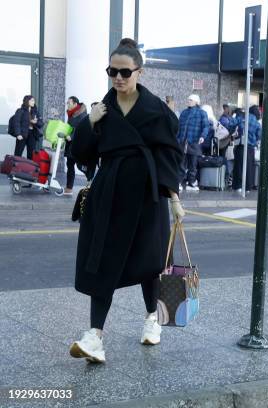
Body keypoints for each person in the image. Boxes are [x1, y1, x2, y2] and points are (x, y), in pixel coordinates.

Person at [69, 38, 184, 364]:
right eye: (112, 71)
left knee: (150, 263)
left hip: (148, 194)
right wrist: (88, 124)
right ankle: (95, 337)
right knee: (101, 261)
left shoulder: (157, 110)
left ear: (139, 71)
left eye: (124, 71)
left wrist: (173, 197)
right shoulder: (101, 108)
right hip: (109, 193)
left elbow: (169, 155)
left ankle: (153, 319)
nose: (117, 77)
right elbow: (81, 153)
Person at [177, 94, 209, 191]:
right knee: (181, 163)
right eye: (188, 99)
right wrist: (177, 139)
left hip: (194, 141)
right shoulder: (184, 112)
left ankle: (191, 183)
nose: (188, 101)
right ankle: (179, 182)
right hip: (183, 141)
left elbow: (206, 126)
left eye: (191, 100)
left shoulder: (202, 113)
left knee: (193, 164)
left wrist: (203, 136)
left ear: (196, 102)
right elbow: (179, 127)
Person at [232, 105, 261, 193]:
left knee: (239, 166)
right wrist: (254, 141)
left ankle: (238, 186)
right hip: (250, 147)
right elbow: (259, 135)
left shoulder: (241, 118)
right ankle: (248, 187)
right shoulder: (257, 122)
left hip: (241, 145)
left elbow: (231, 124)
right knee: (249, 167)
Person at [64, 96, 88, 195]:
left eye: (69, 103)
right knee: (70, 165)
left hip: (77, 144)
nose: (67, 105)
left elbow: (81, 129)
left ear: (75, 104)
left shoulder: (81, 114)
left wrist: (72, 136)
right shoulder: (71, 114)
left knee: (80, 166)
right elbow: (71, 127)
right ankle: (69, 188)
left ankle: (92, 179)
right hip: (70, 145)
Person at [13, 95, 43, 160]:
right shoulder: (20, 111)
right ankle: (15, 168)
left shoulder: (35, 112)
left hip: (32, 134)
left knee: (31, 154)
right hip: (22, 134)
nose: (34, 102)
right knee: (18, 153)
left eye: (34, 101)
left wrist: (36, 122)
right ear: (27, 101)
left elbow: (41, 123)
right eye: (32, 100)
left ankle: (29, 169)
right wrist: (18, 134)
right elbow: (16, 123)